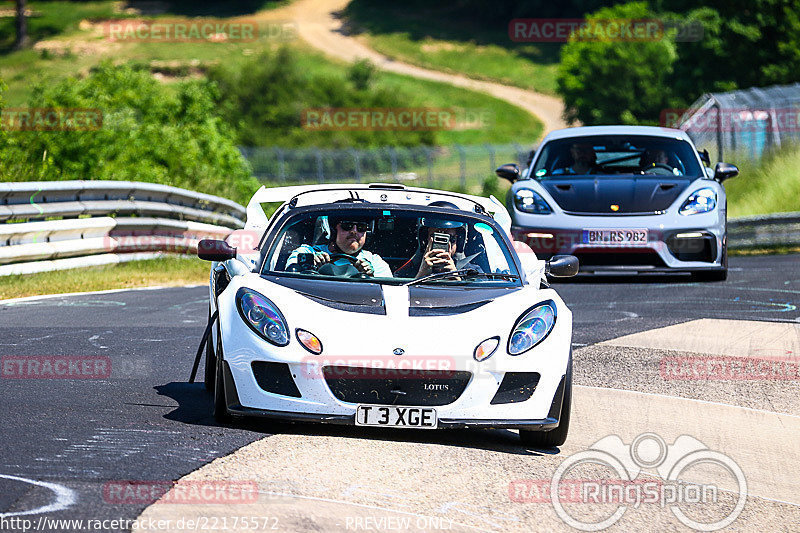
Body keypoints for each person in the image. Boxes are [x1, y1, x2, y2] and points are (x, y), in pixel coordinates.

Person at [285, 215, 392, 277]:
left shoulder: (375, 262)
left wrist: (370, 276)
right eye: (347, 226)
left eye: (361, 227)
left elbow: (388, 293)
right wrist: (309, 265)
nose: (354, 231)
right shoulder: (307, 252)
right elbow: (290, 274)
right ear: (333, 231)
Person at [395, 205, 484, 279]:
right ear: (424, 241)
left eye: (449, 238)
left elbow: (482, 296)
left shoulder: (472, 272)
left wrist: (456, 277)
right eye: (437, 237)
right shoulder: (406, 272)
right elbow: (398, 296)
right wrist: (421, 274)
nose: (442, 244)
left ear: (459, 241)